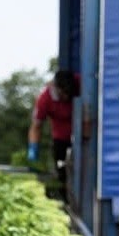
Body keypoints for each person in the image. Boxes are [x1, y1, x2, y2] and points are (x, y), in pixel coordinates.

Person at [27, 70, 80, 198]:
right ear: (56, 88)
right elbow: (36, 127)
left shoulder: (80, 82)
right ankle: (65, 198)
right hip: (61, 139)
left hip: (81, 138)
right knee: (62, 172)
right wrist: (33, 150)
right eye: (63, 93)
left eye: (69, 93)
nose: (66, 97)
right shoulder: (45, 99)